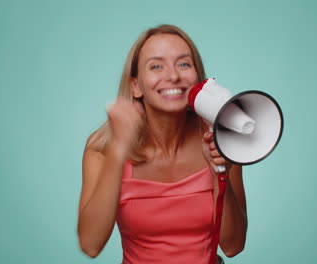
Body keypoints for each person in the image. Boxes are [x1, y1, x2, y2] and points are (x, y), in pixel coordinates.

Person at [77, 24, 247, 264]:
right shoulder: (102, 150)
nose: (173, 76)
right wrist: (118, 150)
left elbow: (233, 246)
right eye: (156, 66)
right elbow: (90, 245)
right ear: (135, 85)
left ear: (198, 78)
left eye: (184, 64)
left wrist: (219, 172)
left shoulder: (221, 139)